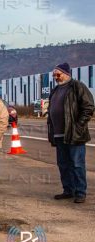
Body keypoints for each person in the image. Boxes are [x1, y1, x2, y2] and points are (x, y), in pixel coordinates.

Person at [48, 63, 95, 203]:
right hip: (58, 134)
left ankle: (80, 192)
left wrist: (79, 126)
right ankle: (68, 190)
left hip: (74, 134)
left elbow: (88, 107)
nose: (56, 77)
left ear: (66, 73)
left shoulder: (77, 86)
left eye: (58, 74)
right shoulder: (55, 90)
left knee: (77, 164)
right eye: (54, 75)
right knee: (63, 164)